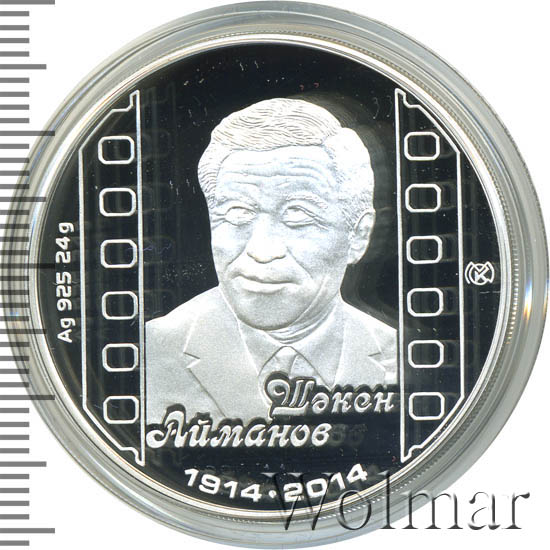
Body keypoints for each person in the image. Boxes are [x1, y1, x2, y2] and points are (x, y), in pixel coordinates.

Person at [146, 98, 397, 426]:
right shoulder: (154, 348)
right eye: (237, 212)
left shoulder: (398, 355)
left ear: (358, 236)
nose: (261, 250)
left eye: (298, 214)